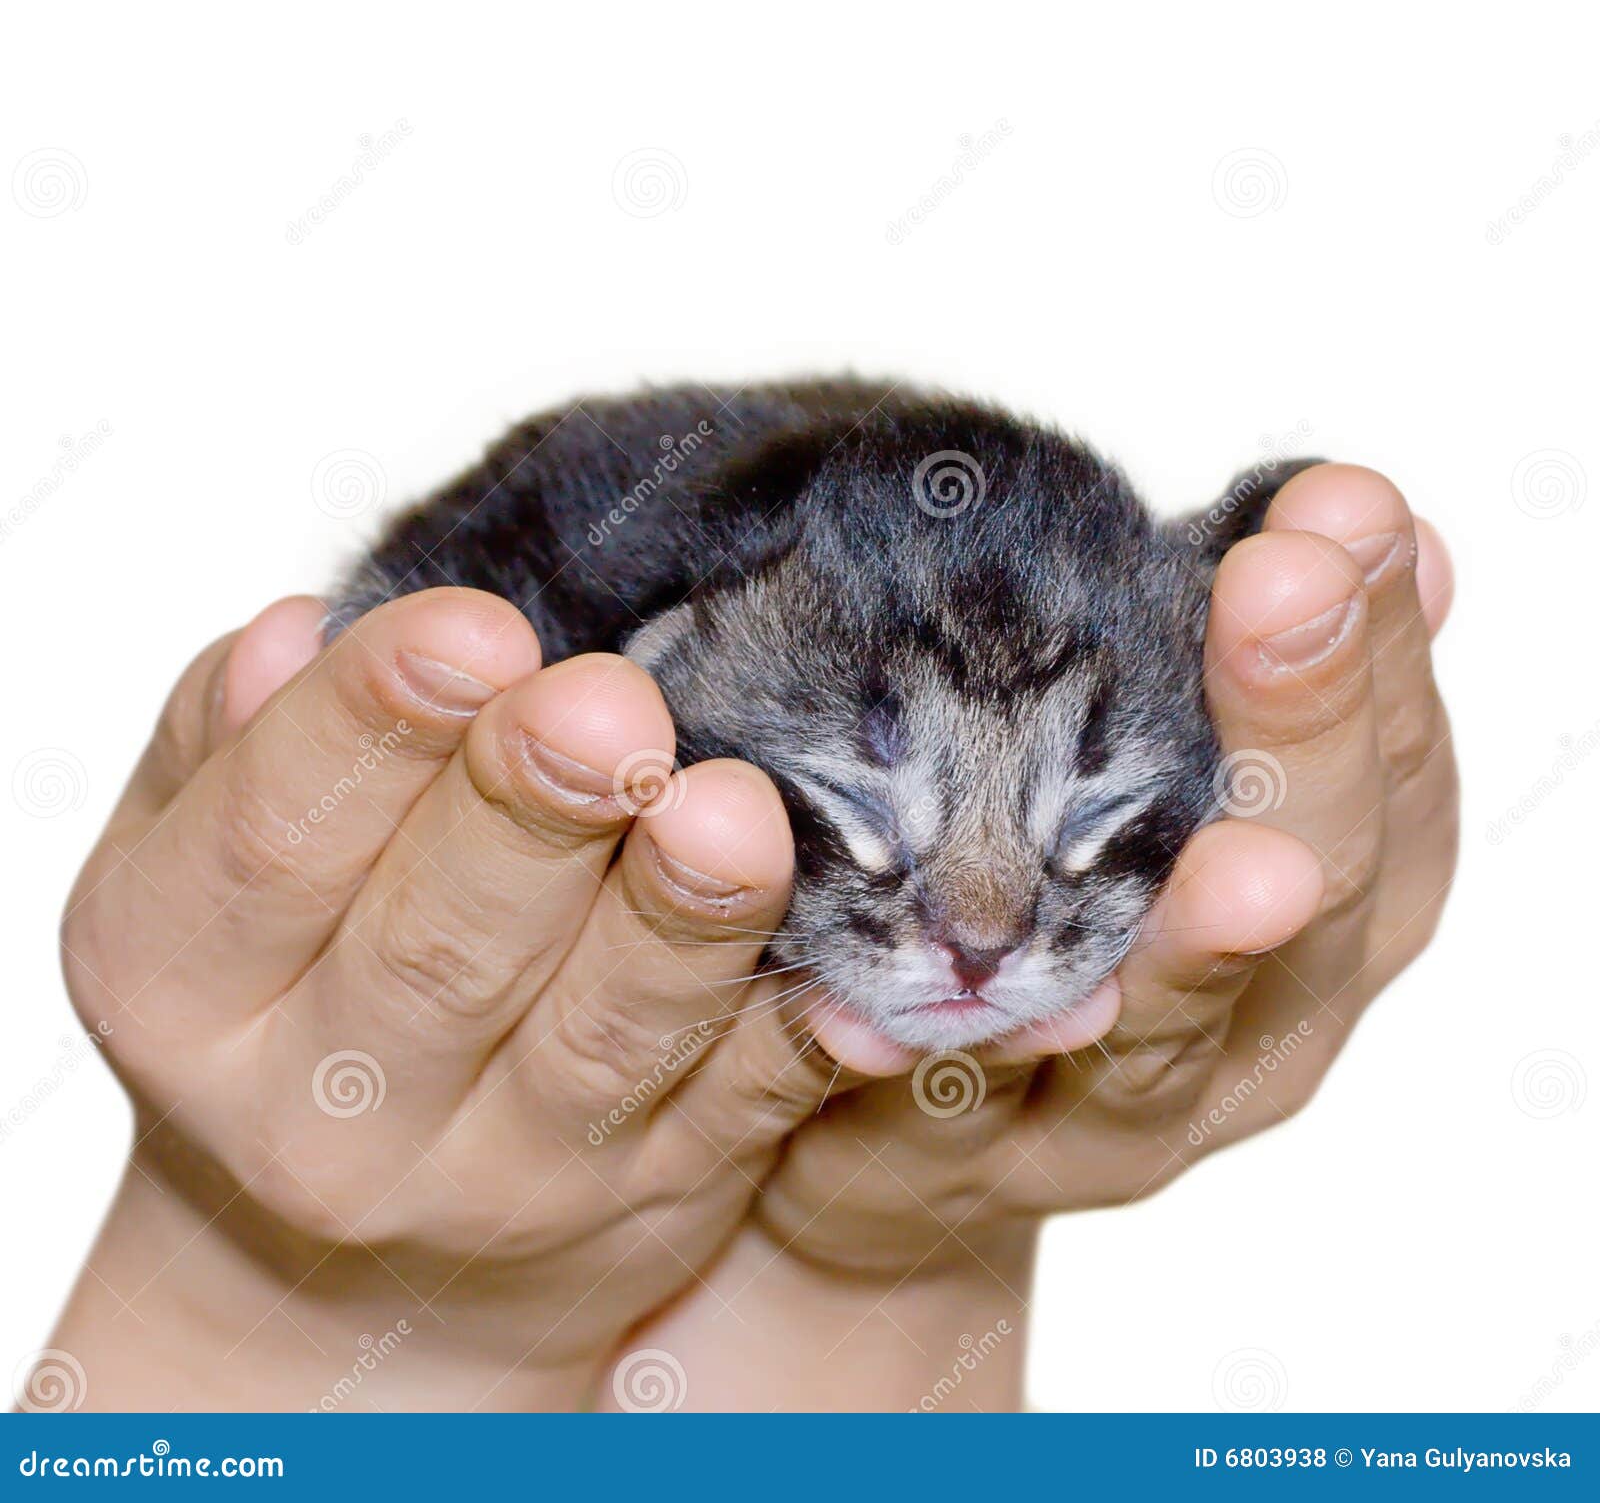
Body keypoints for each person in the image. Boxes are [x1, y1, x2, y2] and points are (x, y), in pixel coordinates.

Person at [38, 464, 1455, 1412]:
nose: (980, 929)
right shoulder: (608, 612)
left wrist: (870, 1266)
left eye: (1091, 810)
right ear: (656, 669)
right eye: (858, 801)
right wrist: (268, 1292)